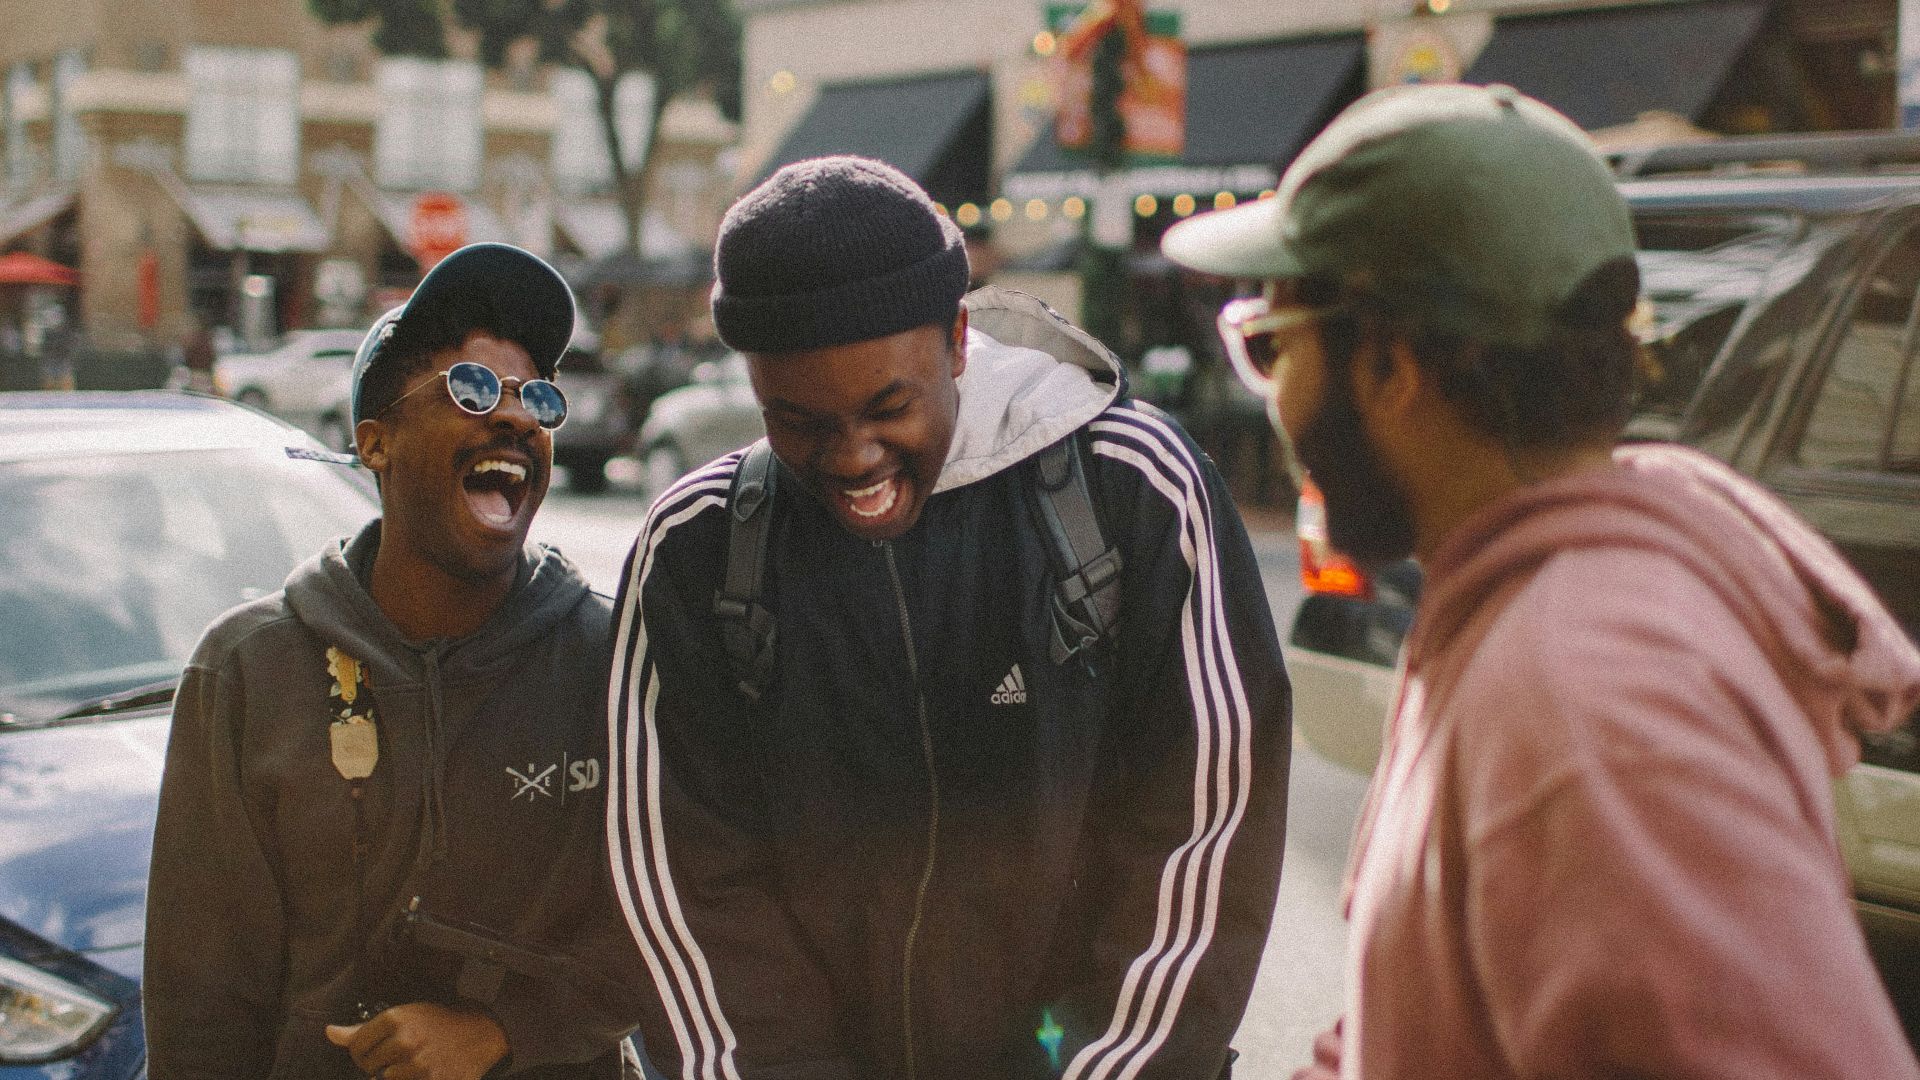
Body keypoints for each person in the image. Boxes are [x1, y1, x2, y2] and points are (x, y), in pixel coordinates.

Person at [1161, 82, 1920, 1079]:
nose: (1275, 402)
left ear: (1391, 364)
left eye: (1274, 347)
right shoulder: (1527, 614)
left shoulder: (1584, 697)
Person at [607, 156, 1291, 1080]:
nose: (853, 459)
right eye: (798, 420)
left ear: (959, 340)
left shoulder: (1134, 489)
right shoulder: (694, 549)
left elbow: (1205, 836)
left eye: (890, 407)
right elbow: (687, 888)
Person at [146, 243, 643, 1080]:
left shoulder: (613, 656)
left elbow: (686, 919)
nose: (518, 418)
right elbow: (202, 1006)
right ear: (375, 445)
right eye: (473, 389)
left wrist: (502, 1031)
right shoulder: (245, 672)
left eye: (540, 399)